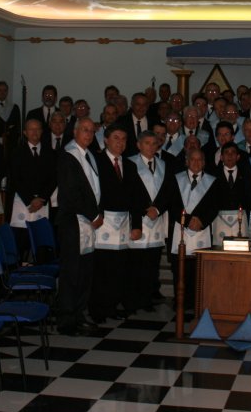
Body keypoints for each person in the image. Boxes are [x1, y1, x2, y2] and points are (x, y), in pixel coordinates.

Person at [55, 117, 103, 336]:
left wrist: (96, 213)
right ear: (75, 132)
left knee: (84, 272)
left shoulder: (89, 154)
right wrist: (94, 214)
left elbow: (94, 188)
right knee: (71, 273)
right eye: (85, 130)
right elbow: (72, 192)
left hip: (86, 222)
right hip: (72, 223)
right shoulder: (69, 155)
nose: (89, 134)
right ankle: (66, 320)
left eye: (92, 131)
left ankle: (79, 314)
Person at [90, 126, 140, 323]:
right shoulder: (96, 162)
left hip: (123, 224)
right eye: (116, 138)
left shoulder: (130, 165)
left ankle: (111, 306)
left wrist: (137, 225)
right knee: (101, 267)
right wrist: (95, 215)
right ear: (105, 140)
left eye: (124, 139)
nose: (120, 142)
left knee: (119, 267)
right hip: (103, 222)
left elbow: (136, 199)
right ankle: (97, 309)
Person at [128, 130, 175, 313]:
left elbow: (168, 190)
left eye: (154, 143)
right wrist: (144, 209)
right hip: (137, 218)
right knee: (135, 263)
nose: (150, 147)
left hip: (156, 219)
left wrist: (157, 208)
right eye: (146, 143)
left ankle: (147, 299)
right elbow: (131, 192)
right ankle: (133, 300)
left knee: (152, 263)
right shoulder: (130, 163)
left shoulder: (164, 165)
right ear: (139, 145)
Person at [168, 148, 218, 314]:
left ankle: (198, 301)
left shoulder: (212, 181)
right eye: (193, 159)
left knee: (199, 269)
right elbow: (172, 204)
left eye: (199, 160)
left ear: (204, 162)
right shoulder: (176, 179)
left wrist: (202, 221)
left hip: (201, 230)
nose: (196, 163)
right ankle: (180, 301)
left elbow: (214, 206)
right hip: (180, 229)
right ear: (186, 161)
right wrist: (188, 220)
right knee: (180, 269)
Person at [8, 118, 57, 261]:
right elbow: (15, 179)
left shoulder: (51, 153)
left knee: (41, 240)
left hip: (43, 202)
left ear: (42, 132)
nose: (34, 132)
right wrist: (30, 199)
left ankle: (41, 268)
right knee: (21, 240)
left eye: (38, 129)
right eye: (31, 129)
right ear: (25, 132)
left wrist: (42, 198)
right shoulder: (16, 153)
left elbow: (54, 178)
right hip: (23, 202)